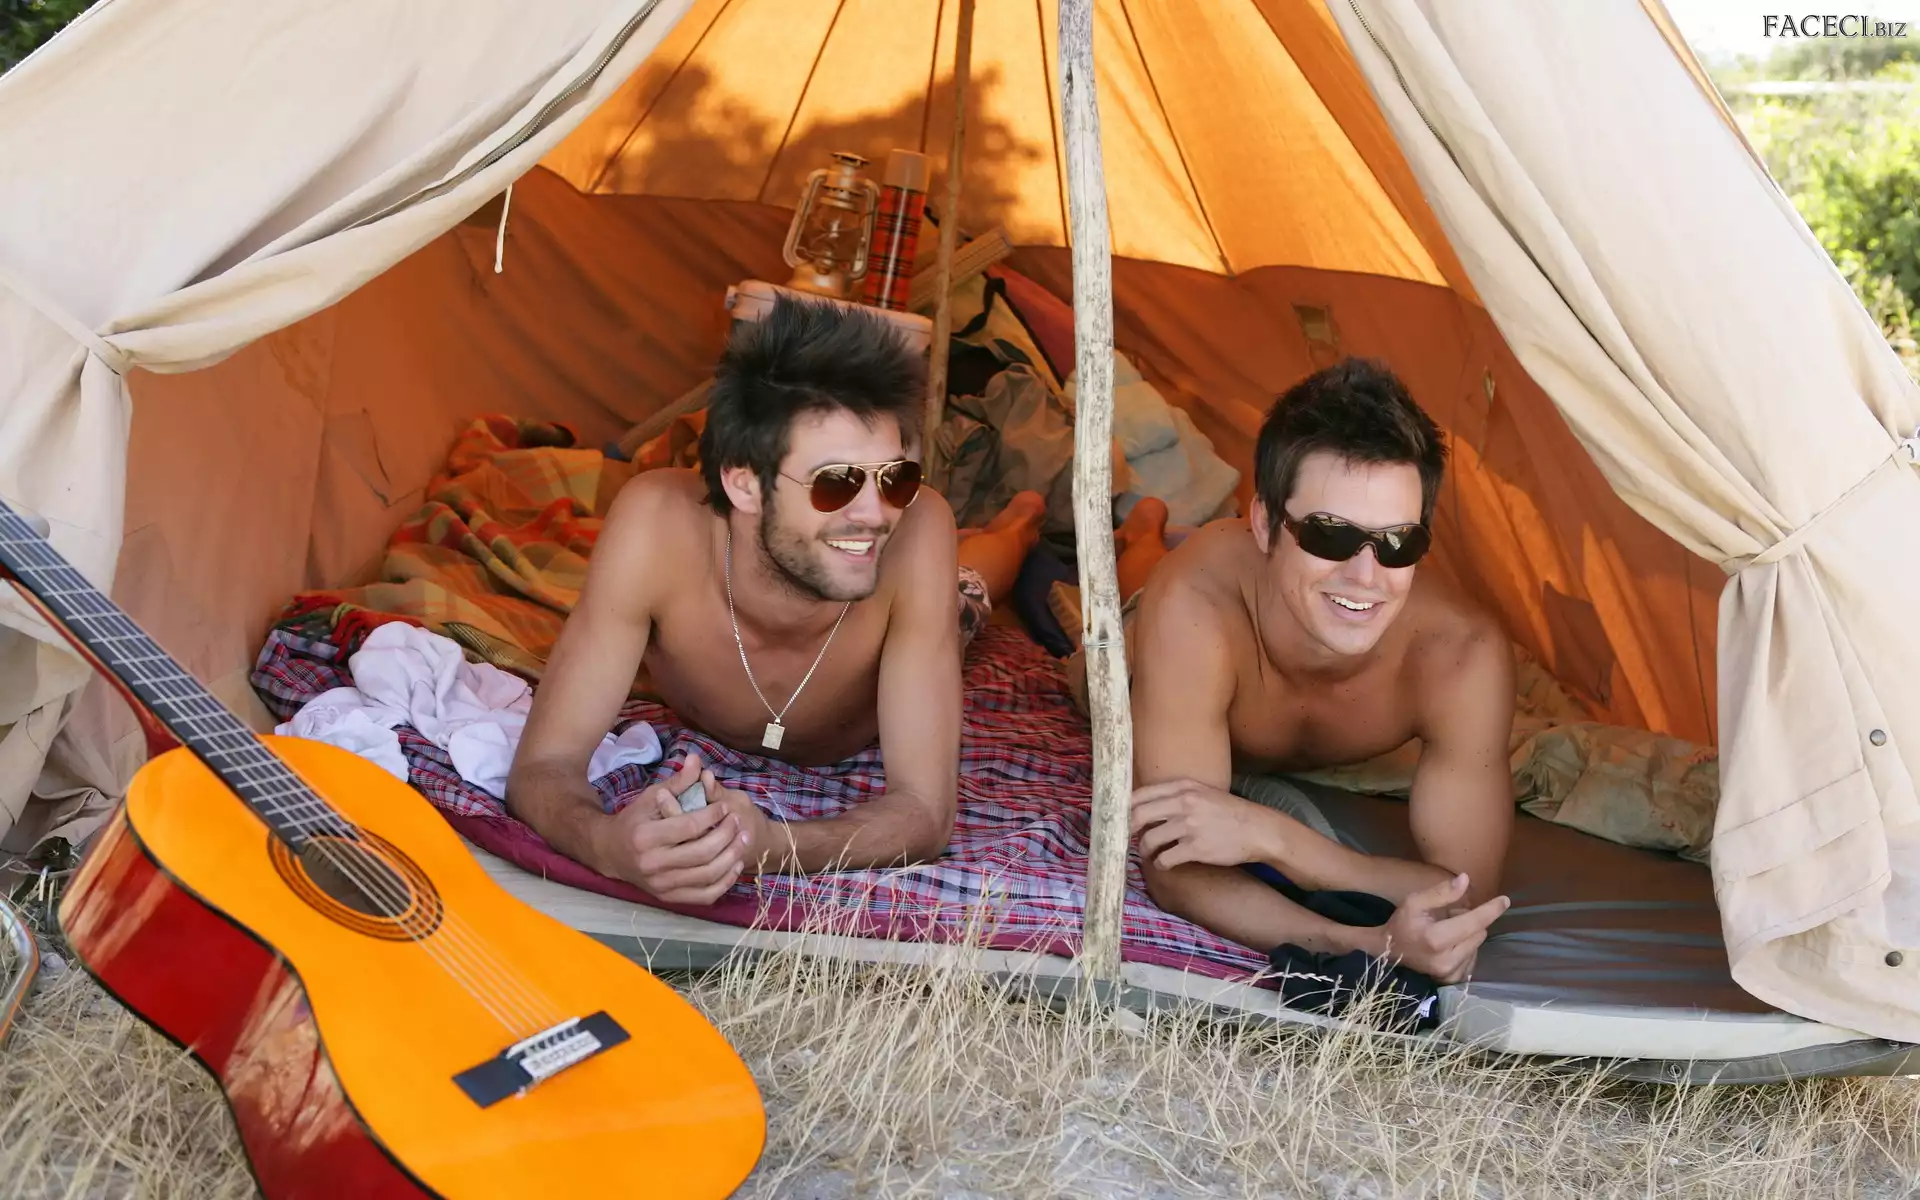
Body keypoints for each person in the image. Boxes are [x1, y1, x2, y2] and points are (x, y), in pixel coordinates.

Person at [506, 295, 1045, 907]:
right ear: (744, 483)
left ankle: (1022, 524)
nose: (875, 513)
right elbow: (542, 767)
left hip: (932, 605)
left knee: (971, 590)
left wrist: (772, 846)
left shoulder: (917, 531)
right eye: (837, 482)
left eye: (895, 479)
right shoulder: (655, 527)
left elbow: (925, 811)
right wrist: (609, 845)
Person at [1119, 357, 1516, 984]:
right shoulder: (1195, 609)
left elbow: (1465, 897)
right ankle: (1143, 530)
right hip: (1148, 623)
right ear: (1264, 523)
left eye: (1398, 543)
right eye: (1330, 535)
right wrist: (1362, 942)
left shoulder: (1461, 654)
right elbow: (1175, 867)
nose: (1365, 577)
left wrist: (1275, 839)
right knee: (1130, 589)